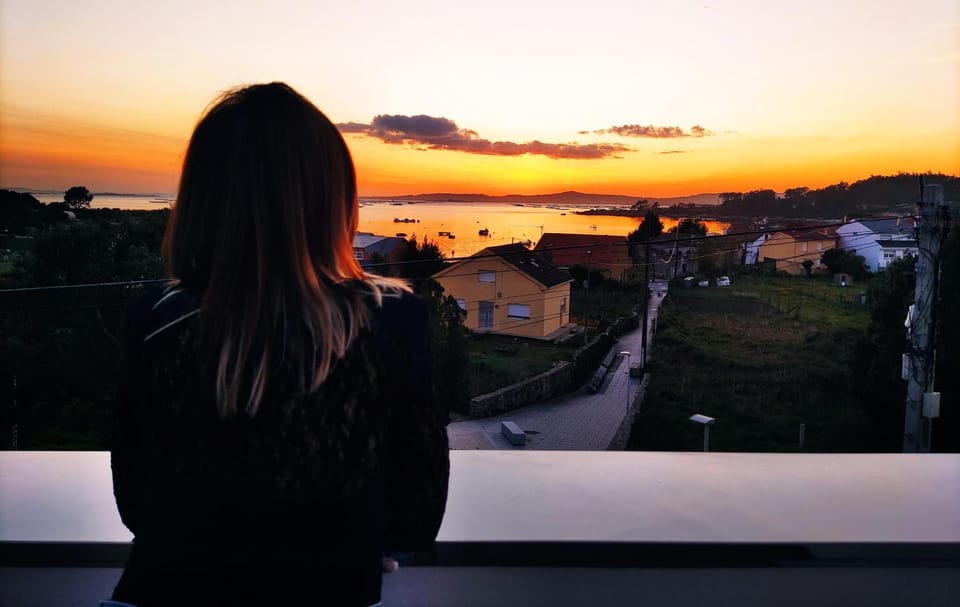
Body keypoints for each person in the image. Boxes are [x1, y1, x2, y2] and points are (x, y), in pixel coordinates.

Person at [109, 82, 449, 606]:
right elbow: (416, 518)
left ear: (201, 197)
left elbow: (137, 504)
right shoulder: (391, 320)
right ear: (333, 196)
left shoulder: (156, 319)